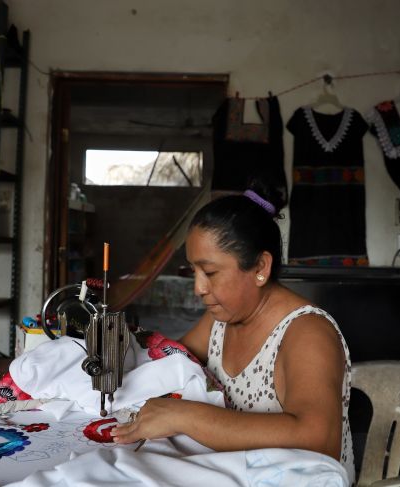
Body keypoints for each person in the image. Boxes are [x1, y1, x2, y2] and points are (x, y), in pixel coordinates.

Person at [111, 179, 355, 483]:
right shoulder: (220, 322)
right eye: (194, 271)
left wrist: (186, 415)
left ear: (260, 268)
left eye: (210, 272)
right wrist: (124, 349)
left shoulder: (307, 333)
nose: (199, 288)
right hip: (242, 474)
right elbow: (171, 364)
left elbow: (319, 440)